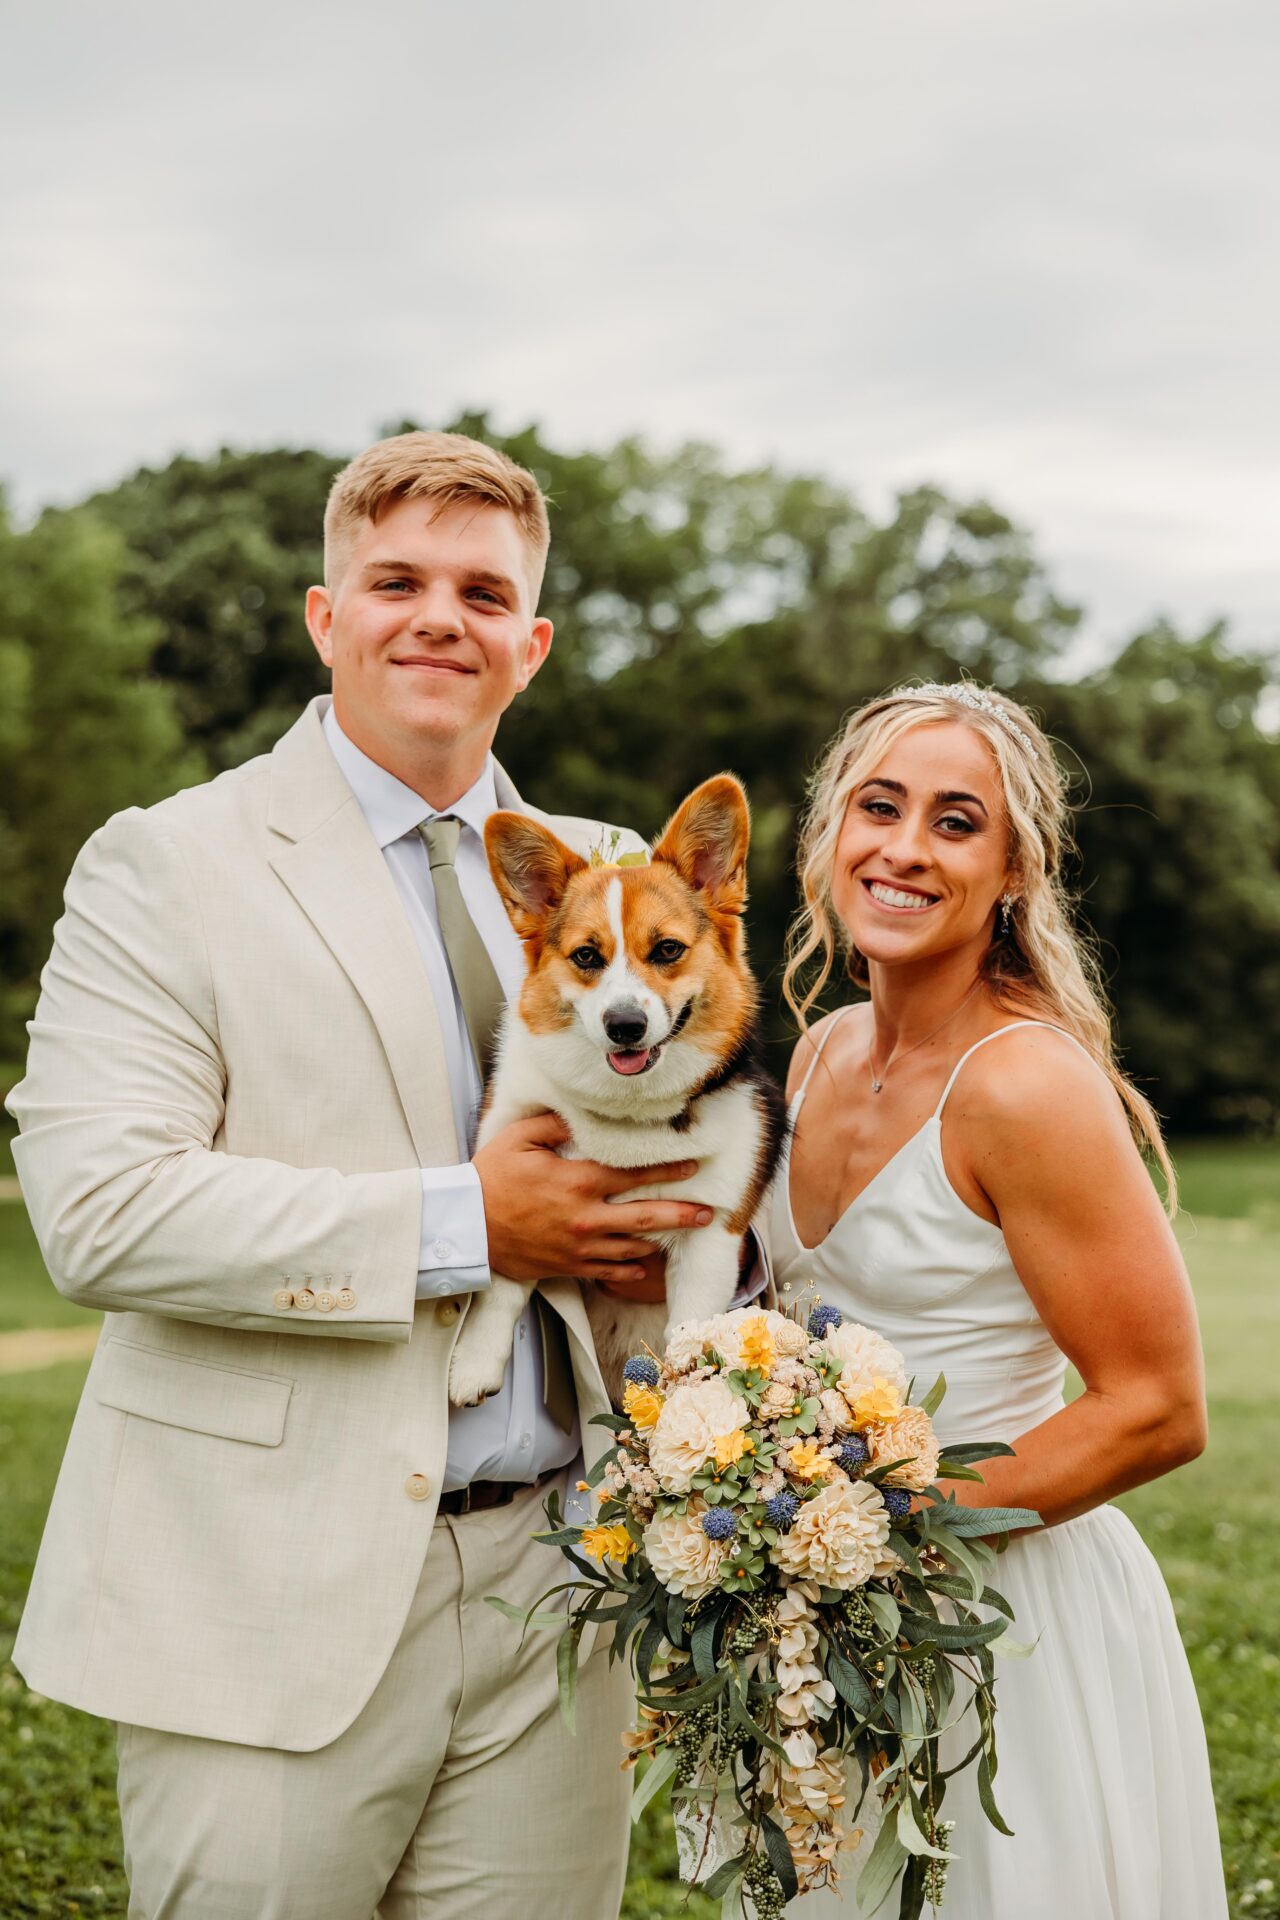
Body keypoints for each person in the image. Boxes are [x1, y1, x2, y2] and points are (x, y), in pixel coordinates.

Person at [6, 430, 721, 1919]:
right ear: (329, 619)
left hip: (559, 1588)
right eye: (395, 580)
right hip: (267, 1593)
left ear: (527, 644)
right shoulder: (168, 862)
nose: (437, 617)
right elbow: (102, 1212)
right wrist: (474, 1225)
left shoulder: (611, 874)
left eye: (481, 589)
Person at [767, 682, 1228, 1917]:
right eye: (879, 807)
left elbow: (1154, 1407)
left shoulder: (1024, 1085)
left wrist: (876, 1526)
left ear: (1014, 870)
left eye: (955, 822)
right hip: (831, 1626)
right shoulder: (817, 1051)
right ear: (828, 835)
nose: (905, 848)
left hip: (999, 1617)